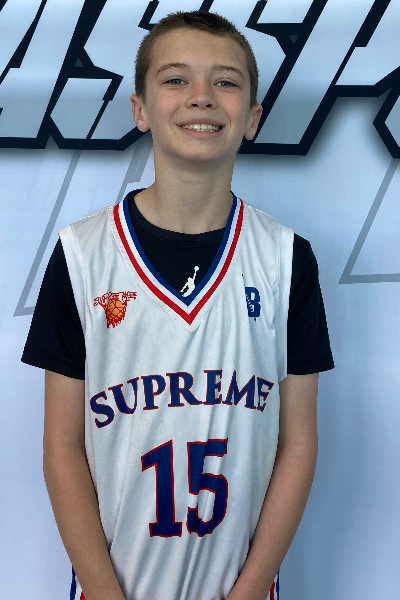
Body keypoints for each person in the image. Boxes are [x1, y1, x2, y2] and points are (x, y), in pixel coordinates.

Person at [22, 10, 334, 600]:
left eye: (225, 81)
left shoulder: (285, 258)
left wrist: (250, 590)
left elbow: (298, 443)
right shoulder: (83, 254)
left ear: (253, 117)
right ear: (139, 109)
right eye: (175, 79)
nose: (201, 96)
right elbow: (61, 446)